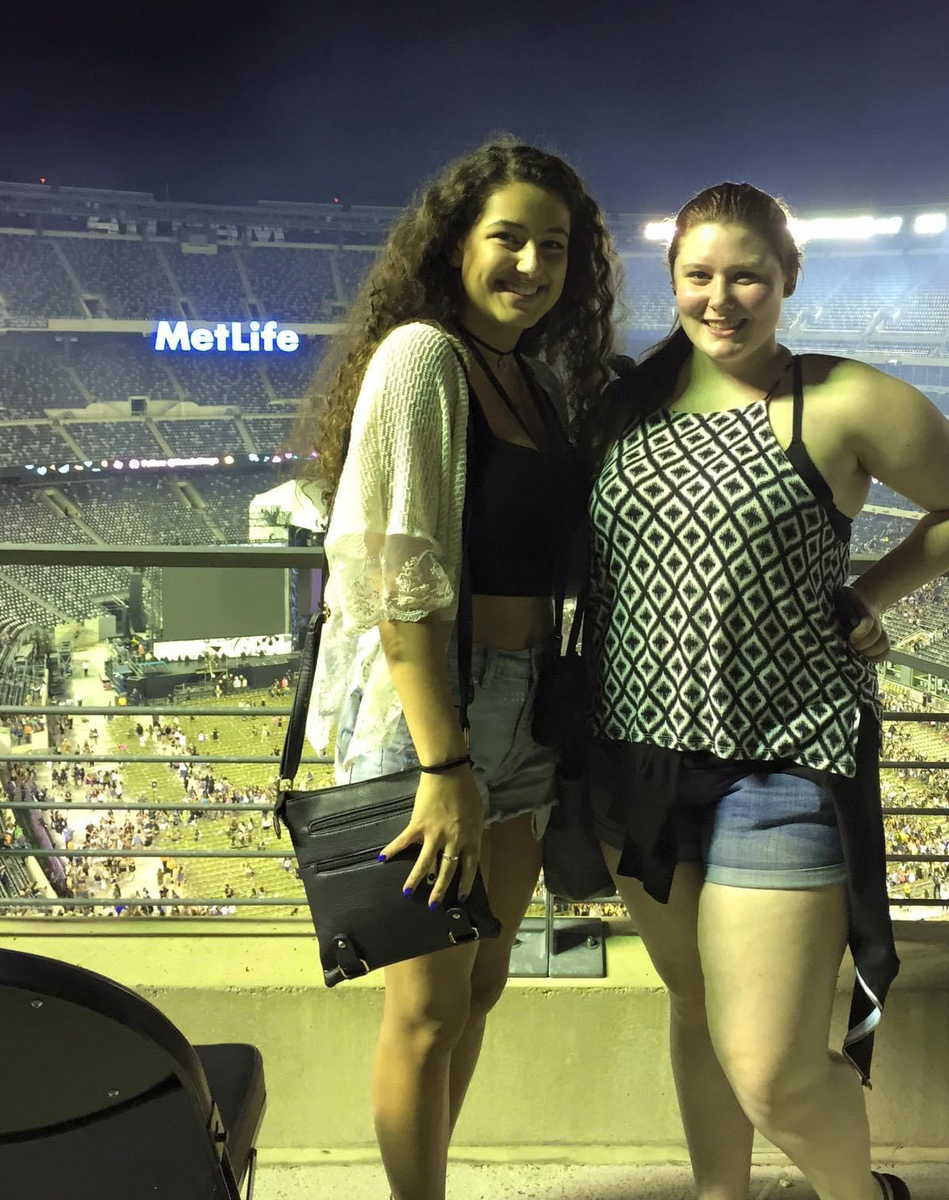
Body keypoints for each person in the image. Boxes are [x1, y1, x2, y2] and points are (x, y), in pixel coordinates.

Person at [580, 183, 949, 1200]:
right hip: (635, 753)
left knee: (770, 1067)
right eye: (697, 276)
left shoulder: (843, 397)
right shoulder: (622, 403)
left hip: (786, 756)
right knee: (692, 1006)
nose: (719, 299)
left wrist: (867, 592)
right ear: (669, 279)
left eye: (747, 278)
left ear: (787, 280)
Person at [294, 139, 616, 1200]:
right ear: (453, 246)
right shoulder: (423, 358)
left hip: (525, 708)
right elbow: (397, 578)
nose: (532, 264)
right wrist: (442, 765)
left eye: (554, 247)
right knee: (426, 1012)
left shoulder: (531, 382)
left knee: (479, 990)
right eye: (507, 239)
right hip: (432, 711)